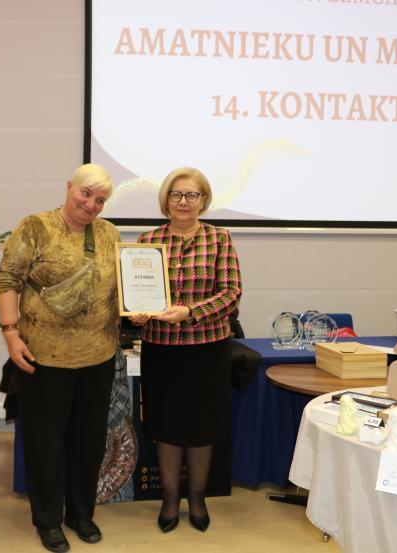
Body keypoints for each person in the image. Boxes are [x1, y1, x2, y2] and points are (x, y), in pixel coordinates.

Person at [0, 163, 120, 553]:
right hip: (43, 358)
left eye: (100, 200)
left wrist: (141, 309)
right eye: (86, 194)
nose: (91, 205)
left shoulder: (109, 233)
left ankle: (80, 515)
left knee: (88, 442)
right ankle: (48, 520)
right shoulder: (35, 227)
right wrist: (11, 335)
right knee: (45, 444)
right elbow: (7, 281)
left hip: (98, 357)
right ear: (69, 188)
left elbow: (121, 287)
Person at [129, 167, 241, 533]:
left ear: (203, 201)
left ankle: (197, 498)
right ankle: (169, 499)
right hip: (161, 350)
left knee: (201, 426)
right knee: (166, 426)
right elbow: (135, 295)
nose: (183, 201)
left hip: (207, 350)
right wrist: (136, 313)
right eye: (176, 194)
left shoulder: (219, 239)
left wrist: (190, 312)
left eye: (192, 195)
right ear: (166, 200)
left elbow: (231, 295)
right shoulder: (147, 241)